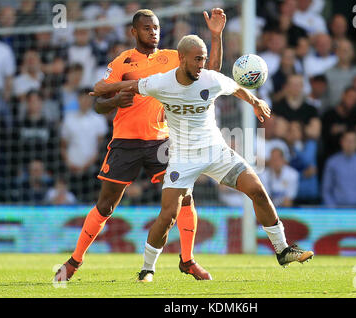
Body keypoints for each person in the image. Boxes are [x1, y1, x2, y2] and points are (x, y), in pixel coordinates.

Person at [112, 34, 313, 282]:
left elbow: (237, 87)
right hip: (183, 158)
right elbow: (133, 85)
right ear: (182, 58)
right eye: (197, 59)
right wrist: (105, 88)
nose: (201, 64)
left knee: (257, 190)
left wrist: (255, 101)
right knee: (167, 216)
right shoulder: (162, 83)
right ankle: (147, 269)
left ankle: (283, 250)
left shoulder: (211, 79)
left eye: (204, 59)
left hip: (216, 152)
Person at [54, 8, 227, 282]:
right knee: (106, 206)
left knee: (185, 198)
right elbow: (98, 102)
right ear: (134, 32)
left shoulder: (173, 58)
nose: (153, 32)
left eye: (156, 27)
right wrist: (113, 102)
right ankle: (75, 261)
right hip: (126, 142)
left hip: (162, 141)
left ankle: (188, 260)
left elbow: (212, 73)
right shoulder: (122, 62)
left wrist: (216, 36)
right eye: (147, 28)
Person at [322, 131, 356, 208]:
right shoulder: (332, 162)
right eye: (347, 140)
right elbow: (326, 190)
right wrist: (332, 209)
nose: (350, 144)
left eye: (353, 141)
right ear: (341, 142)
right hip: (338, 210)